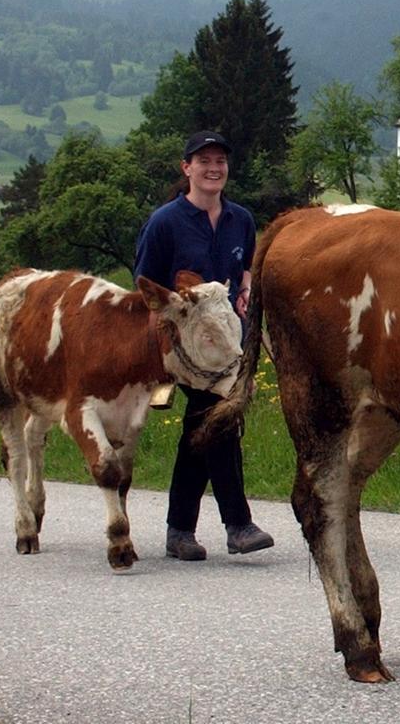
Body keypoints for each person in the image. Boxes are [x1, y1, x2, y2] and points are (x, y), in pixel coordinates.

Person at [135, 130, 274, 561]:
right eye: (204, 161)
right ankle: (238, 524)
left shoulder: (241, 220)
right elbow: (146, 288)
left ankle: (179, 530)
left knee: (201, 427)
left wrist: (247, 290)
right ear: (187, 169)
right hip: (185, 347)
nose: (214, 168)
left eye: (220, 161)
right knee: (217, 419)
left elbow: (245, 269)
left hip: (229, 343)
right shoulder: (165, 223)